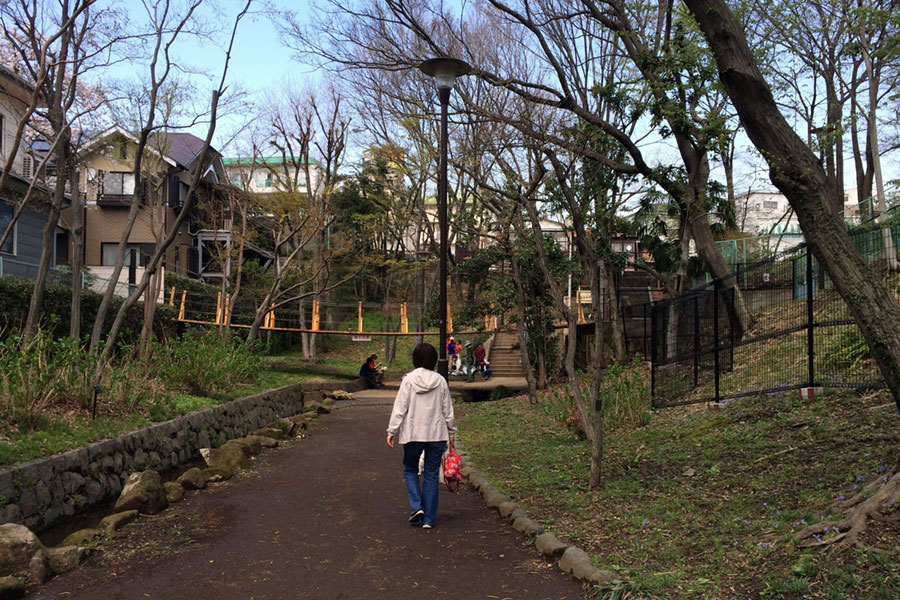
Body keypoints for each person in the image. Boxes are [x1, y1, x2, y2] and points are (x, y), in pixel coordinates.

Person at [386, 343, 457, 529]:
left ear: (415, 359)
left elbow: (400, 408)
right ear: (434, 360)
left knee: (410, 470)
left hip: (413, 434)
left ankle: (417, 506)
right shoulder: (440, 381)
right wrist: (451, 431)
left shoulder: (409, 380)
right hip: (436, 433)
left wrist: (392, 430)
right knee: (431, 474)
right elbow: (447, 409)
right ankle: (428, 519)